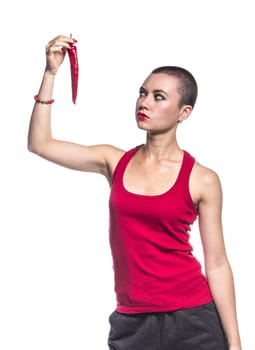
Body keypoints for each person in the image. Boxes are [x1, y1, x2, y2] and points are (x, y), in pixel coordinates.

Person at [27, 34, 242, 350]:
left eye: (158, 97)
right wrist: (50, 74)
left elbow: (218, 264)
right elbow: (40, 144)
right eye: (142, 94)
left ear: (184, 112)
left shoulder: (202, 179)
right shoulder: (113, 161)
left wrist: (235, 343)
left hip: (191, 319)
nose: (144, 102)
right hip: (132, 322)